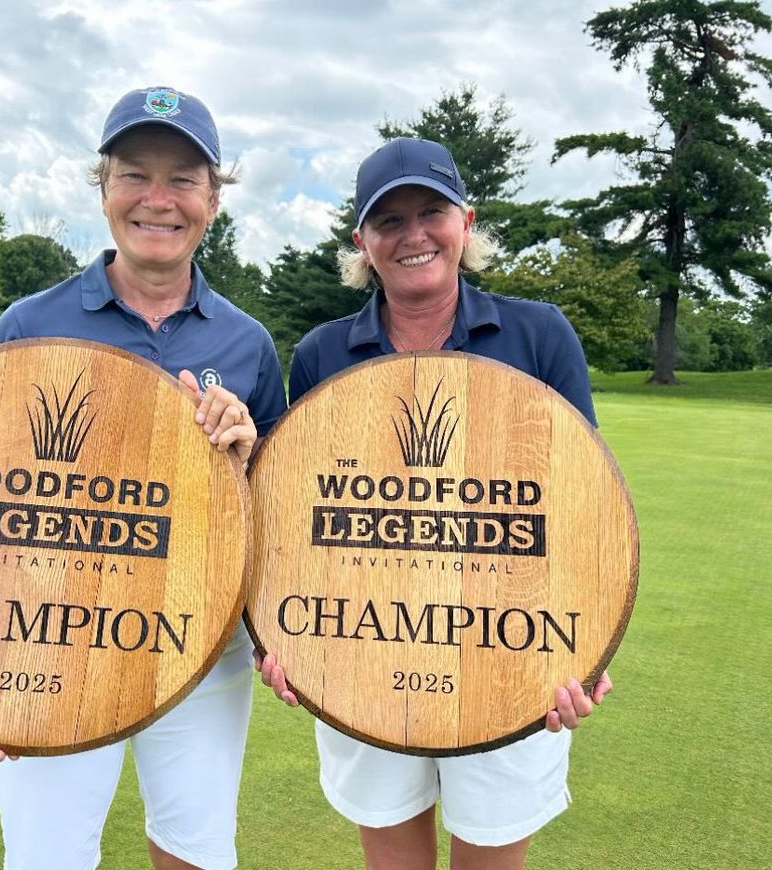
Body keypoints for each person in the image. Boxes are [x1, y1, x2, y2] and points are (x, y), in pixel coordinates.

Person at [0, 85, 287, 870]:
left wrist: (245, 459)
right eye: (134, 174)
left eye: (183, 178)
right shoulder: (26, 324)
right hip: (49, 635)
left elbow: (273, 522)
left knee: (197, 852)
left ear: (214, 199)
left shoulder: (247, 341)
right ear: (103, 186)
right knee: (47, 858)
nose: (159, 199)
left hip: (200, 637)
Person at [256, 137, 613, 870]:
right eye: (388, 221)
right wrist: (279, 639)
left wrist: (594, 640)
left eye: (431, 212)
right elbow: (301, 520)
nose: (412, 234)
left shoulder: (539, 332)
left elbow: (584, 505)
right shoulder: (323, 352)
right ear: (362, 241)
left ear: (465, 221)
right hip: (363, 643)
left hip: (507, 646)